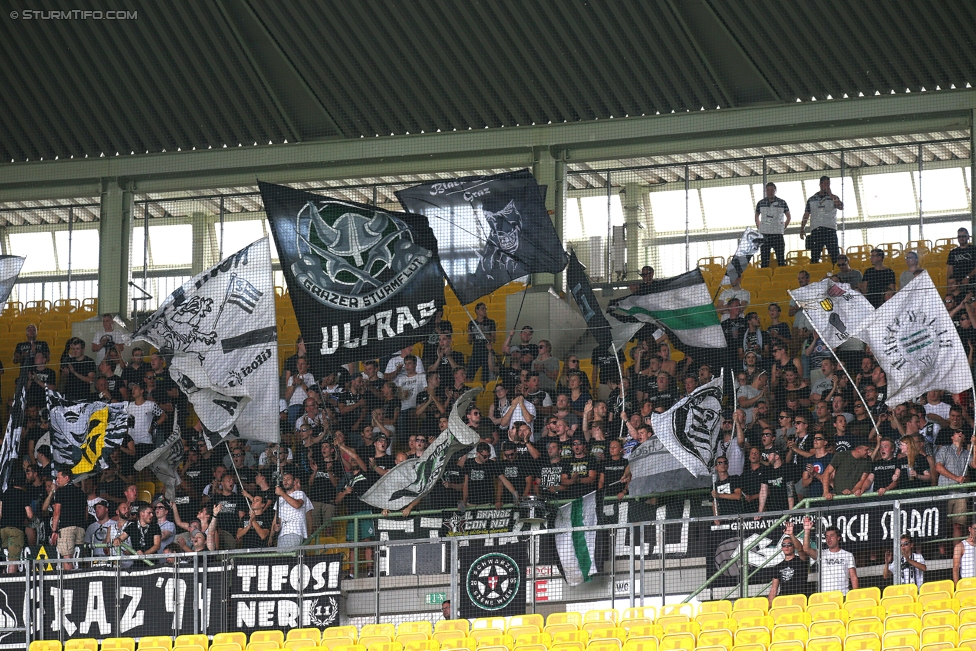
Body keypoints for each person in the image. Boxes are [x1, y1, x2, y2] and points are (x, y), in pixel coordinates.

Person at [936, 430, 975, 544]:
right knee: (942, 525)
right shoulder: (945, 449)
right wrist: (956, 478)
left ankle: (956, 552)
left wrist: (975, 445)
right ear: (952, 437)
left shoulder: (966, 453)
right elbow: (938, 467)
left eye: (962, 432)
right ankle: (941, 553)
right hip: (945, 491)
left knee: (958, 525)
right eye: (958, 432)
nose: (961, 433)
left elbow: (974, 464)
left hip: (960, 493)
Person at [802, 520, 857, 595]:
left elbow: (853, 576)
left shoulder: (848, 555)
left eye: (832, 536)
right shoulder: (821, 554)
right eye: (827, 536)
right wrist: (807, 530)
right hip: (825, 596)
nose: (829, 539)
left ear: (838, 538)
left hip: (843, 595)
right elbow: (806, 549)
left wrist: (856, 595)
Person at [800, 175, 844, 264]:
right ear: (820, 184)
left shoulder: (833, 198)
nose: (827, 186)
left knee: (834, 254)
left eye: (828, 184)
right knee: (815, 255)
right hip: (816, 230)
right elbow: (806, 214)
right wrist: (802, 228)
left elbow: (840, 206)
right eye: (825, 184)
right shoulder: (812, 199)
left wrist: (831, 194)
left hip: (830, 229)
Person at [50, 469, 88, 570]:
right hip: (81, 528)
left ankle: (70, 584)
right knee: (77, 557)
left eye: (58, 478)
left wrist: (54, 530)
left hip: (66, 528)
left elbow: (57, 512)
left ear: (67, 478)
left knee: (67, 557)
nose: (57, 480)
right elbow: (86, 512)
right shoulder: (81, 492)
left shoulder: (60, 491)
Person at [0, 467, 33, 572]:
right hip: (16, 530)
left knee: (6, 558)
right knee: (13, 560)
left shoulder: (5, 494)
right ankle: (11, 585)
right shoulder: (23, 494)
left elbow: (0, 513)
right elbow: (30, 515)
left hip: (3, 530)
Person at [768, 522, 810, 603]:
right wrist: (769, 605)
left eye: (789, 544)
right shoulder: (777, 566)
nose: (786, 546)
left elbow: (801, 549)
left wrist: (791, 534)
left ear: (793, 546)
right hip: (784, 600)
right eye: (784, 545)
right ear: (782, 548)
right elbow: (774, 588)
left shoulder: (801, 560)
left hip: (799, 599)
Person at [754, 182, 791, 268]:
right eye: (768, 190)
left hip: (777, 234)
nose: (770, 192)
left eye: (772, 190)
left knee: (781, 259)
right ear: (765, 191)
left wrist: (783, 227)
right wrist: (759, 227)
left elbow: (788, 217)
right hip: (765, 234)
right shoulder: (760, 203)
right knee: (764, 260)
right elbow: (756, 216)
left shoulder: (782, 202)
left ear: (775, 191)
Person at [275, 471, 313, 549]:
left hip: (294, 531)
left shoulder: (299, 493)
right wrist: (274, 530)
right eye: (284, 479)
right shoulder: (279, 499)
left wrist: (282, 493)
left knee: (287, 558)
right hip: (282, 533)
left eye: (288, 479)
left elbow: (297, 505)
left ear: (294, 482)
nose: (285, 481)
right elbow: (277, 518)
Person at [466, 303, 497, 382]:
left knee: (485, 377)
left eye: (485, 309)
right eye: (482, 308)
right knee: (469, 376)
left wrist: (483, 333)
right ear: (477, 310)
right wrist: (469, 335)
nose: (485, 310)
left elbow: (493, 339)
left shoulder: (490, 322)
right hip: (476, 352)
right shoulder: (472, 323)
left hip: (486, 353)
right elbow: (469, 342)